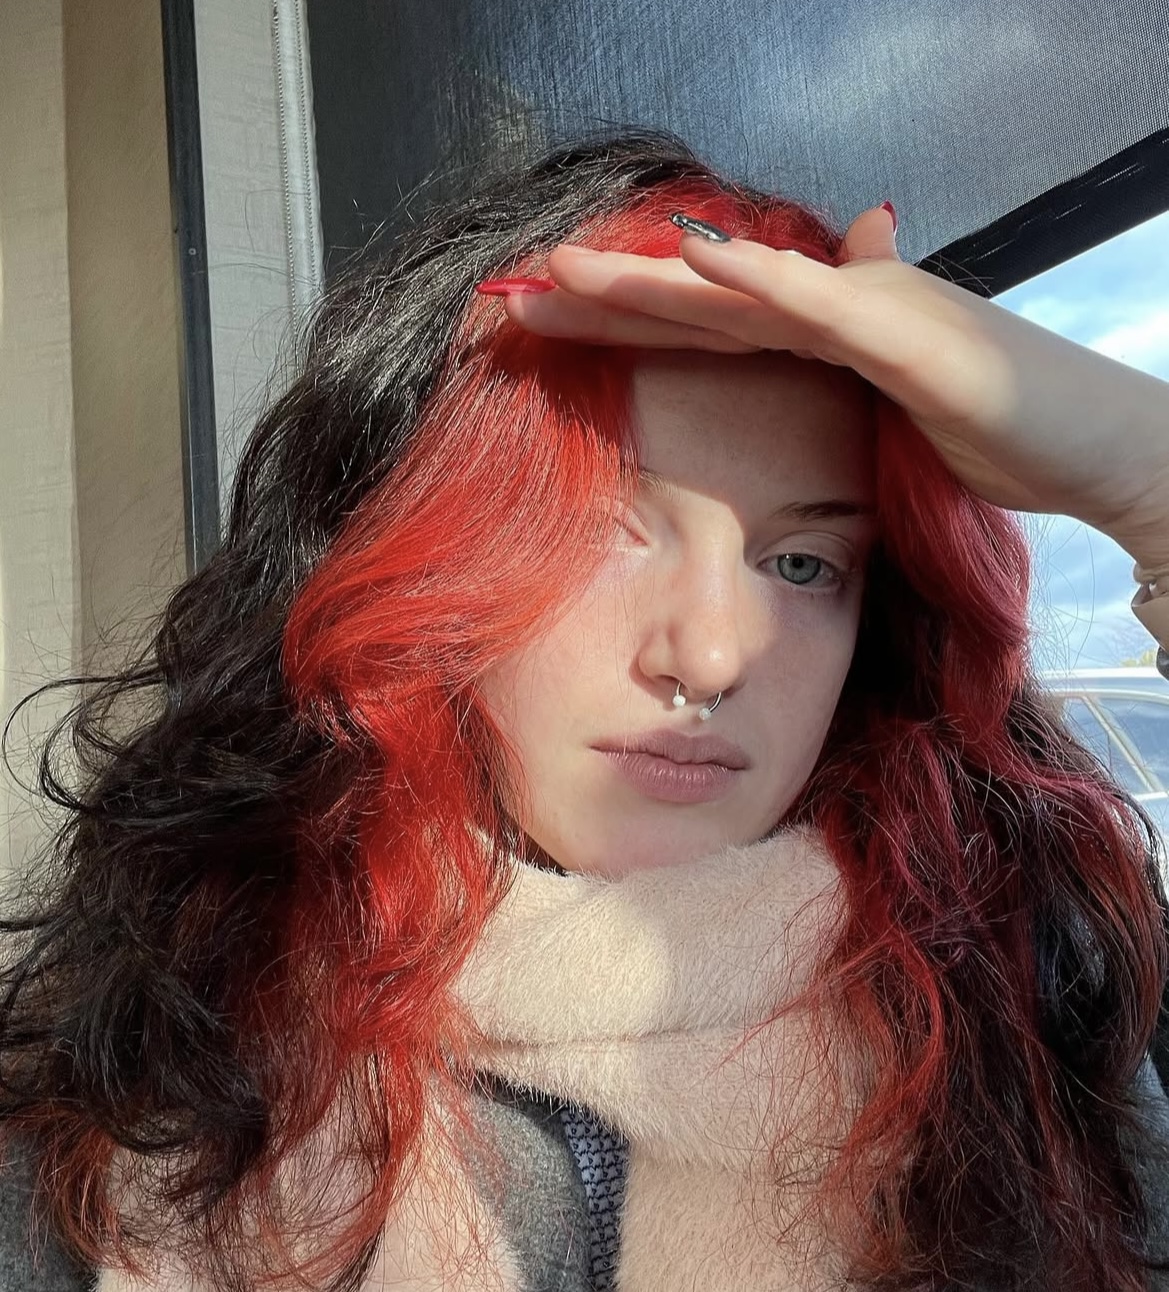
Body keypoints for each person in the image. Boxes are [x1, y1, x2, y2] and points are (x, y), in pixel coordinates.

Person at [2, 129, 1169, 1292]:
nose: (707, 654)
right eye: (600, 530)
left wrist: (1150, 480)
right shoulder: (161, 1060)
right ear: (426, 557)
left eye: (803, 564)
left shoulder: (1031, 1008)